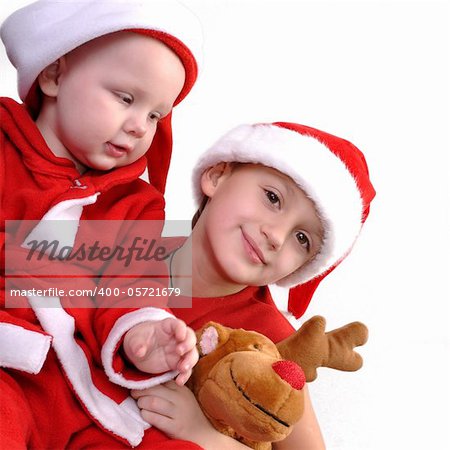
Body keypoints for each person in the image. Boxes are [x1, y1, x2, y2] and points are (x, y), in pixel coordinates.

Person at [0, 1, 204, 448]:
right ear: (55, 76)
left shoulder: (138, 204)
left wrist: (146, 335)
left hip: (88, 393)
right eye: (126, 98)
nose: (138, 127)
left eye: (154, 115)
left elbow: (136, 286)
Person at [131, 121, 376, 449]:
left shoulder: (269, 338)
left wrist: (205, 435)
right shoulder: (128, 247)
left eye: (301, 239)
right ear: (218, 175)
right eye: (273, 198)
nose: (276, 236)